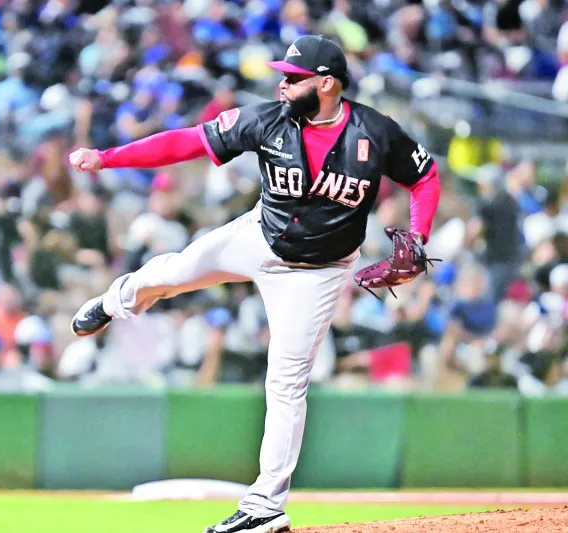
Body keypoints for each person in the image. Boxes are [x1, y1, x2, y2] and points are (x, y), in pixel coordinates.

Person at [68, 35, 440, 533]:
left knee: (286, 383)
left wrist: (418, 234)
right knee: (176, 272)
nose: (282, 84)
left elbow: (426, 176)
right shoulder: (267, 119)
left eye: (293, 77)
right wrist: (107, 158)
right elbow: (187, 141)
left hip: (318, 272)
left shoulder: (375, 132)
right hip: (258, 236)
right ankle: (116, 300)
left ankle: (264, 506)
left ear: (326, 83)